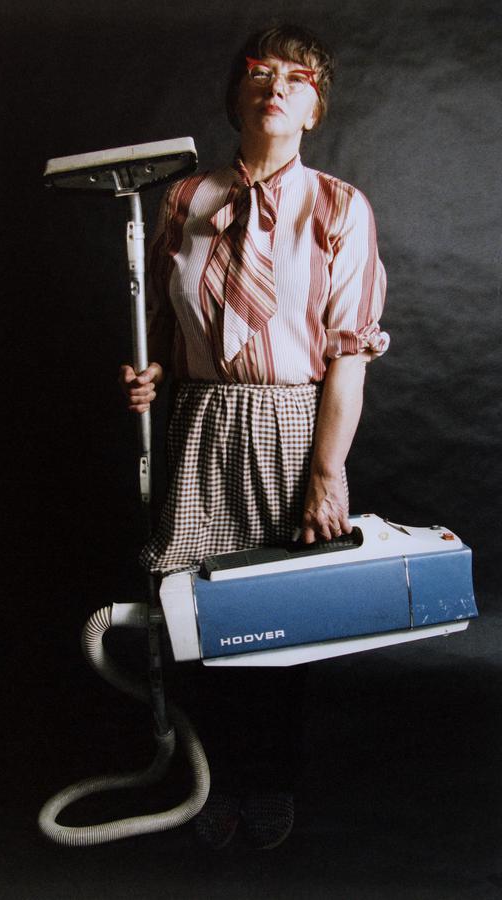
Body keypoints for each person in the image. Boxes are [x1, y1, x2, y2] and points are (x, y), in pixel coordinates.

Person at [119, 24, 389, 849]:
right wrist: (152, 374)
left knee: (277, 624)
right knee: (197, 618)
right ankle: (214, 779)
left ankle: (269, 782)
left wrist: (327, 474)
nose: (276, 84)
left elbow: (348, 355)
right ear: (235, 96)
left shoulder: (340, 205)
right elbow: (166, 326)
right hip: (200, 421)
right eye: (259, 73)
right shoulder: (181, 200)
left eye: (297, 78)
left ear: (312, 108)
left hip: (291, 425)